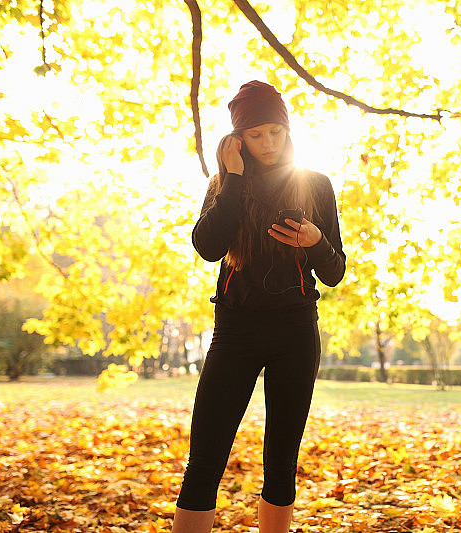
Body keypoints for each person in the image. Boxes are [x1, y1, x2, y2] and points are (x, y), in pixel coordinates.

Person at [171, 80, 346, 533]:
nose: (268, 143)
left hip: (295, 333)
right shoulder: (223, 184)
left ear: (288, 131)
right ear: (237, 139)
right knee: (204, 459)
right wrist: (231, 180)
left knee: (281, 462)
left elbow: (334, 271)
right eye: (256, 134)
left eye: (276, 131)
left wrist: (317, 242)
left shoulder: (316, 185)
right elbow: (208, 247)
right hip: (236, 333)